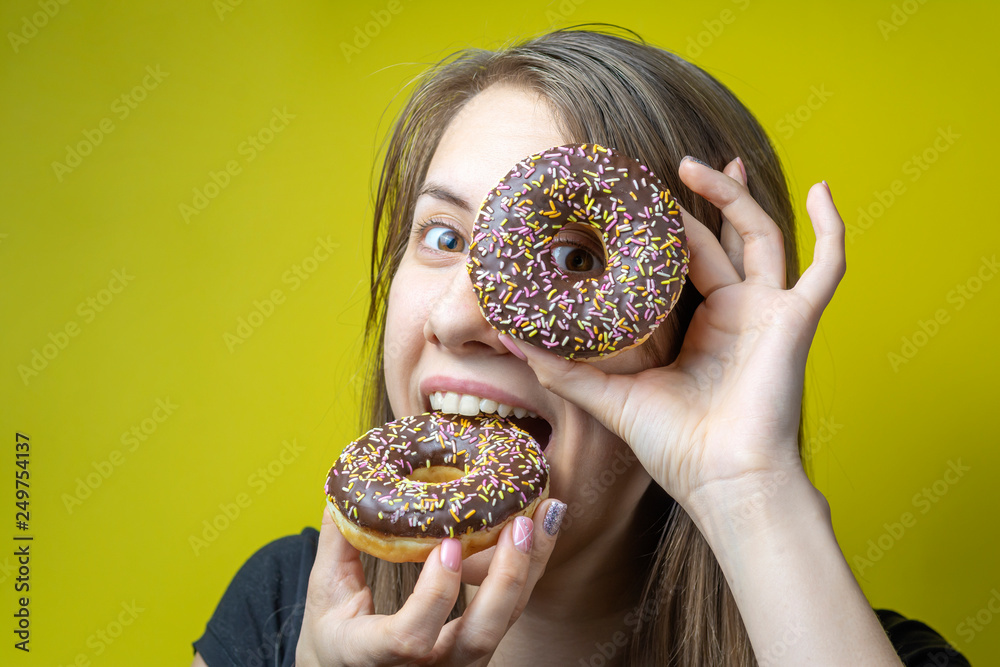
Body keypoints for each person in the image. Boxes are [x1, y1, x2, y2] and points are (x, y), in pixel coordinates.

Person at [192, 26, 971, 666]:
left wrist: (749, 486)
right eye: (443, 236)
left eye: (573, 257)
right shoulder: (280, 614)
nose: (459, 317)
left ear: (699, 327)